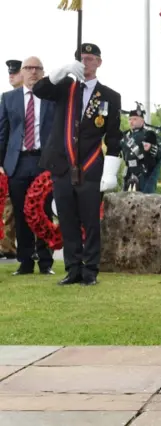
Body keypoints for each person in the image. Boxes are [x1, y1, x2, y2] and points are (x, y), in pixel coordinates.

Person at [33, 43, 122, 286]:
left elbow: (114, 137)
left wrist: (110, 172)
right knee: (67, 218)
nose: (87, 63)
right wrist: (63, 70)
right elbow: (39, 88)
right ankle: (72, 268)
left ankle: (90, 269)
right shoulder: (64, 88)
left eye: (91, 59)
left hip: (90, 166)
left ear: (100, 62)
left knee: (91, 221)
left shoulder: (110, 97)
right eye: (82, 59)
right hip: (62, 164)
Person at [0, 56, 55, 274]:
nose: (33, 72)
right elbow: (2, 133)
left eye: (37, 68)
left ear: (43, 73)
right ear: (21, 73)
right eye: (28, 68)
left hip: (44, 162)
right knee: (21, 213)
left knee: (43, 211)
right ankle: (25, 261)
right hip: (18, 162)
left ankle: (45, 262)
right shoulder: (8, 98)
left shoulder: (51, 98)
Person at [0, 59, 23, 260]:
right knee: (8, 206)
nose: (11, 75)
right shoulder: (7, 98)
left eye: (14, 73)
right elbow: (3, 133)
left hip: (30, 160)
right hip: (10, 161)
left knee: (30, 207)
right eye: (10, 73)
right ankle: (7, 246)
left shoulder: (33, 97)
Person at [120, 102, 158, 191]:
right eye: (130, 119)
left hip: (143, 174)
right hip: (128, 172)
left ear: (142, 120)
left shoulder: (148, 134)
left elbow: (157, 154)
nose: (131, 121)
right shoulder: (125, 136)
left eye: (134, 119)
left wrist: (150, 149)